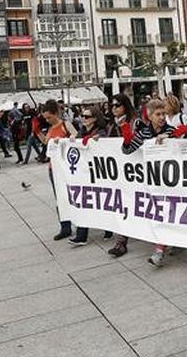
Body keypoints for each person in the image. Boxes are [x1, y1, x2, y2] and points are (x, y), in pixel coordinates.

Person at [120, 98, 187, 267]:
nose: (162, 117)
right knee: (161, 213)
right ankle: (163, 246)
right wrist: (127, 137)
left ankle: (161, 249)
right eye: (158, 114)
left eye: (164, 114)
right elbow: (128, 151)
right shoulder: (143, 133)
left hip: (172, 180)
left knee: (170, 212)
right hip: (152, 181)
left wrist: (172, 136)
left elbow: (185, 139)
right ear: (150, 117)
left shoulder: (171, 130)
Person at [66, 106, 111, 247]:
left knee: (102, 201)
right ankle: (81, 235)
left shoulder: (101, 132)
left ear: (95, 118)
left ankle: (109, 228)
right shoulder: (82, 131)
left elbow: (106, 145)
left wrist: (97, 140)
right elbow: (77, 143)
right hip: (84, 174)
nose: (83, 119)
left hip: (98, 173)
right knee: (83, 201)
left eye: (87, 116)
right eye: (83, 116)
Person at [107, 93, 140, 257]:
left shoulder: (135, 122)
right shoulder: (112, 125)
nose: (114, 109)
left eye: (117, 105)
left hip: (136, 170)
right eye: (112, 106)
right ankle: (121, 242)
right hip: (120, 172)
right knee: (121, 205)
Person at [43, 100, 79, 242]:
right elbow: (46, 142)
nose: (47, 120)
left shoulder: (65, 125)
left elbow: (76, 137)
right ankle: (65, 227)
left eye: (49, 117)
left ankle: (79, 221)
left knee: (72, 195)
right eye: (45, 118)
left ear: (55, 114)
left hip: (67, 167)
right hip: (54, 167)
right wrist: (37, 131)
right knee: (59, 197)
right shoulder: (51, 129)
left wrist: (66, 139)